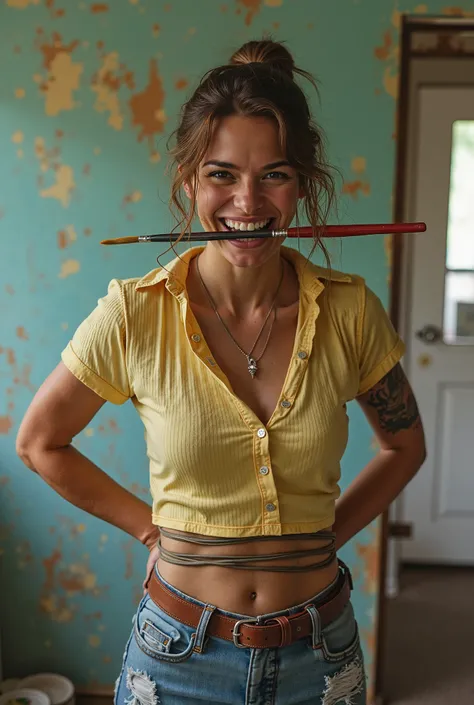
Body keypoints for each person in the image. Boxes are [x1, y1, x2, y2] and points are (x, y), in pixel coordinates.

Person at [16, 39, 426, 705]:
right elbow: (39, 442)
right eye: (222, 174)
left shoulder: (351, 311)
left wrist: (322, 540)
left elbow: (405, 444)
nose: (247, 201)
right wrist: (149, 529)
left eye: (274, 174)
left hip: (320, 657)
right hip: (177, 657)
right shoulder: (135, 312)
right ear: (189, 181)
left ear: (304, 182)